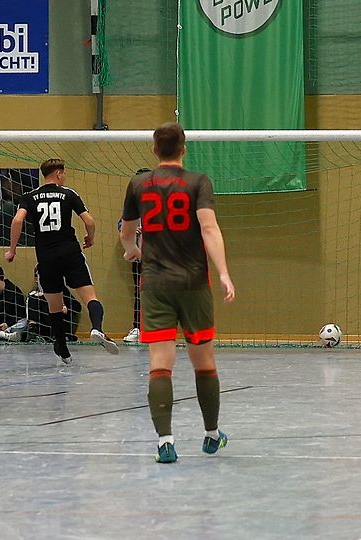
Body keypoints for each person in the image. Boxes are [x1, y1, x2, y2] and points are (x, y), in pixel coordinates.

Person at [120, 122, 236, 463]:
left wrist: (132, 250)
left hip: (156, 284)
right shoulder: (198, 182)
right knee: (204, 362)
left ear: (154, 149)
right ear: (184, 148)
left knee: (160, 365)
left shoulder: (138, 184)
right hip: (194, 283)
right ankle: (211, 434)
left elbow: (126, 232)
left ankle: (165, 443)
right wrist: (224, 273)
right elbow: (209, 228)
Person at [6, 159, 119, 362]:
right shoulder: (68, 194)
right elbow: (89, 221)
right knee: (90, 297)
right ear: (58, 173)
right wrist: (90, 237)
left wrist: (12, 250)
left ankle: (63, 349)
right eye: (64, 173)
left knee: (55, 306)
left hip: (46, 257)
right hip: (70, 252)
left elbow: (17, 220)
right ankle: (97, 328)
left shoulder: (29, 197)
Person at [121, 167, 152, 344]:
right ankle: (137, 328)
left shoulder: (160, 200)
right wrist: (133, 232)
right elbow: (122, 226)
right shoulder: (132, 203)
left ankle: (162, 329)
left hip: (161, 255)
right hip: (140, 256)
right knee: (139, 292)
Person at [27, 265, 81, 342]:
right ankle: (34, 333)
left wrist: (66, 308)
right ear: (36, 279)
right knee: (32, 298)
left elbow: (77, 306)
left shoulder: (60, 289)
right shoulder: (33, 294)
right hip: (42, 328)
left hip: (59, 323)